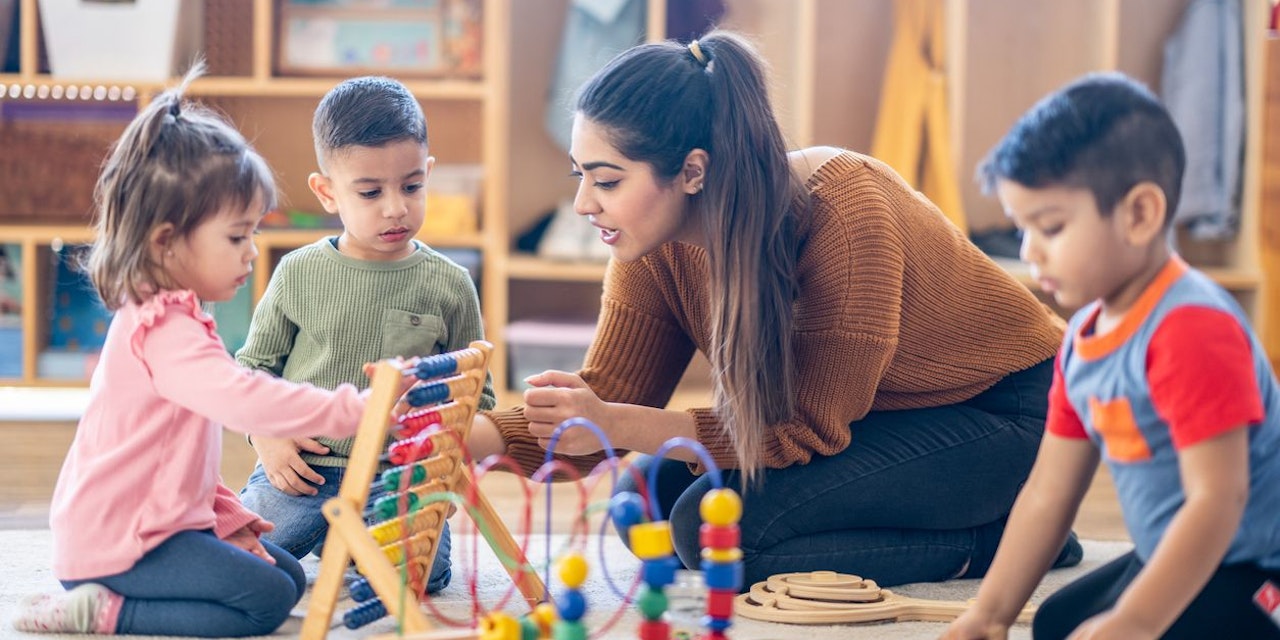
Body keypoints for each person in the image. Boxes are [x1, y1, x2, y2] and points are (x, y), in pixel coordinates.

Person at [466, 30, 1082, 589]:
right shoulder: (652, 245)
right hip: (878, 413)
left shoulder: (845, 214)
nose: (581, 204)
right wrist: (474, 438)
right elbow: (607, 398)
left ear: (692, 172)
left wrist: (616, 422)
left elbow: (803, 428)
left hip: (1010, 413)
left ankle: (1002, 542)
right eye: (580, 176)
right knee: (646, 501)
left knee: (719, 539)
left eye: (606, 181)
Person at [11, 64, 376, 637]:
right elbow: (243, 402)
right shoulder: (164, 329)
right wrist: (354, 409)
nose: (252, 253)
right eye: (237, 237)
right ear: (166, 241)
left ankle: (125, 591)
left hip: (153, 524)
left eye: (253, 233)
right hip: (119, 545)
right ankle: (103, 611)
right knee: (265, 604)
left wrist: (226, 521)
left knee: (281, 572)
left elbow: (179, 462)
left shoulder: (176, 314)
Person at [941, 73, 1280, 640]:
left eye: (1050, 226)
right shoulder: (1083, 338)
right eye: (1022, 227)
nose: (1029, 250)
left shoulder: (1191, 327)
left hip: (1255, 568)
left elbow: (1219, 499)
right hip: (1177, 550)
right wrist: (989, 614)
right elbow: (1049, 493)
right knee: (1057, 623)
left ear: (1140, 214)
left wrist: (1138, 620)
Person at [236, 75, 494, 595]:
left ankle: (347, 542)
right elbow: (249, 371)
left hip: (397, 481)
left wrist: (434, 455)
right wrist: (266, 435)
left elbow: (478, 397)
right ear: (327, 191)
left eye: (412, 186)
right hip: (303, 470)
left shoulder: (451, 284)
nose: (395, 207)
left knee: (418, 578)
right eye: (370, 192)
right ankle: (334, 536)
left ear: (429, 174)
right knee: (237, 561)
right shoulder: (298, 272)